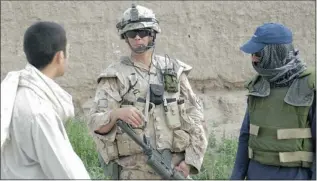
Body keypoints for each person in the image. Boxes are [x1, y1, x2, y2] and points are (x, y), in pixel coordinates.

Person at [87, 4, 208, 180]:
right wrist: (116, 114)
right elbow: (95, 123)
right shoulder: (115, 76)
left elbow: (196, 117)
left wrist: (190, 162)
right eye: (131, 33)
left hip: (175, 170)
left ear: (153, 33)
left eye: (143, 33)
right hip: (135, 172)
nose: (137, 38)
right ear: (125, 37)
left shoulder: (174, 70)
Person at [1, 21, 91, 179]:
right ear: (60, 56)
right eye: (68, 51)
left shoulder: (14, 92)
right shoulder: (39, 111)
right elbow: (67, 172)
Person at [230, 23, 316, 180]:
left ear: (276, 53)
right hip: (256, 173)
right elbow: (245, 137)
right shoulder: (258, 86)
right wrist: (235, 177)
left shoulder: (308, 86)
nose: (253, 58)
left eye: (258, 53)